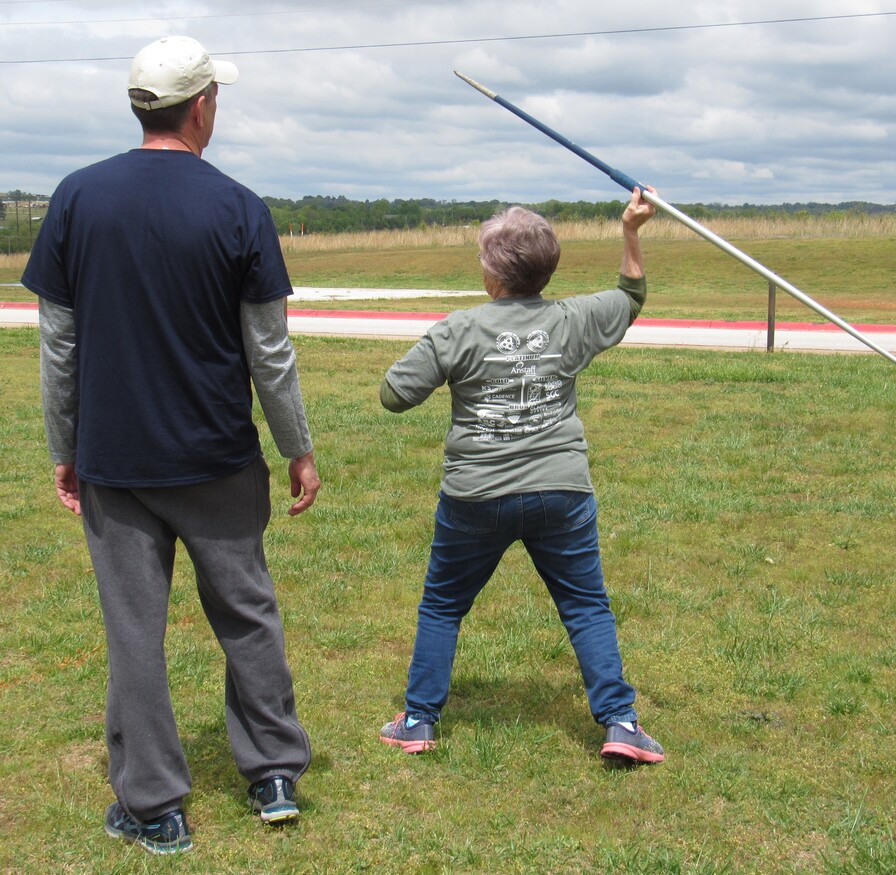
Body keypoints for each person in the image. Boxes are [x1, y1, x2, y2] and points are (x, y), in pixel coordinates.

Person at [21, 36, 320, 855]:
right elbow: (270, 351)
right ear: (200, 108)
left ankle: (154, 805)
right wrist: (297, 445)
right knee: (247, 613)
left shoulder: (76, 198)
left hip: (117, 462)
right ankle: (273, 774)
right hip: (219, 457)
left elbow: (59, 346)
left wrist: (65, 444)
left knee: (133, 630)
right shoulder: (237, 206)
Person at [378, 187, 663, 765]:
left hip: (474, 497)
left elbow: (393, 394)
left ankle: (417, 722)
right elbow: (631, 296)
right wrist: (630, 230)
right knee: (586, 605)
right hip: (562, 491)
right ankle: (621, 723)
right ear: (544, 269)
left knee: (442, 606)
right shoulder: (573, 319)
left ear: (491, 272)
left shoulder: (456, 330)